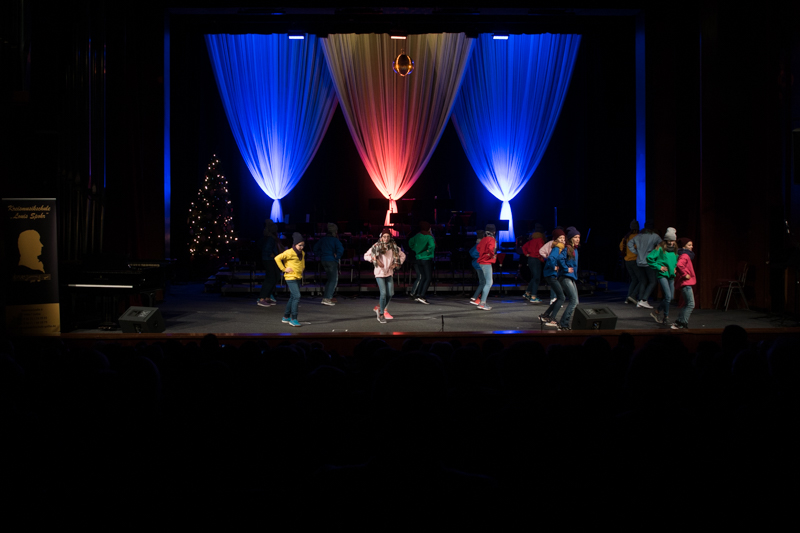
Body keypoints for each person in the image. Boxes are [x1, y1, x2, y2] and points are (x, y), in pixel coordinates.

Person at [364, 229, 406, 324]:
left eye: (388, 236)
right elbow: (366, 256)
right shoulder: (376, 246)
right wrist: (375, 260)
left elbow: (403, 256)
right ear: (381, 237)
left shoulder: (394, 247)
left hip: (389, 272)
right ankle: (381, 314)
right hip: (380, 272)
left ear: (390, 237)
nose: (386, 238)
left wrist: (395, 264)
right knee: (383, 293)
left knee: (390, 293)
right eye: (384, 237)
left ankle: (379, 307)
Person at [647, 227, 678, 326]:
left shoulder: (675, 249)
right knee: (668, 296)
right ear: (666, 240)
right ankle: (666, 317)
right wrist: (659, 267)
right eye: (669, 240)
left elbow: (676, 259)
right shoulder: (660, 248)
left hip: (671, 275)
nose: (671, 242)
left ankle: (656, 312)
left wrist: (675, 267)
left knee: (671, 297)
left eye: (673, 240)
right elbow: (649, 258)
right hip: (662, 274)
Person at [627, 221, 662, 309]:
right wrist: (655, 253)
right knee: (653, 281)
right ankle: (644, 300)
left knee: (643, 281)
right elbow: (662, 246)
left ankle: (640, 301)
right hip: (649, 262)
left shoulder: (639, 236)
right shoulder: (655, 236)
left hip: (639, 261)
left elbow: (629, 243)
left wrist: (636, 252)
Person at [274, 232, 306, 327]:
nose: (301, 247)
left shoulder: (302, 253)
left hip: (298, 277)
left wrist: (302, 267)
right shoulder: (289, 252)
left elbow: (302, 262)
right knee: (297, 296)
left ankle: (286, 316)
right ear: (295, 244)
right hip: (290, 277)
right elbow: (277, 258)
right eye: (299, 245)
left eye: (303, 245)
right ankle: (294, 318)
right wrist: (284, 269)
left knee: (293, 297)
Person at [538, 229, 566, 328]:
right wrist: (553, 267)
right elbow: (550, 258)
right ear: (556, 239)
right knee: (561, 297)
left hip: (551, 274)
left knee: (559, 297)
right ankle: (552, 318)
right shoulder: (557, 247)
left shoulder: (559, 247)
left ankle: (545, 315)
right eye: (560, 238)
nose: (562, 240)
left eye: (563, 238)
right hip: (551, 274)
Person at [314, 223, 344, 306]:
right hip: (331, 261)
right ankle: (327, 298)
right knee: (333, 280)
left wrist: (320, 255)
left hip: (324, 260)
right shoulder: (335, 240)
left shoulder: (323, 239)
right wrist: (337, 257)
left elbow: (315, 248)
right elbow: (341, 250)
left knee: (330, 280)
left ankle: (326, 297)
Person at [557, 227, 581, 330]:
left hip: (571, 277)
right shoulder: (566, 248)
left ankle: (564, 323)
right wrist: (566, 268)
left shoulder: (575, 249)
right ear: (570, 238)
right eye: (575, 237)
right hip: (565, 277)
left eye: (578, 237)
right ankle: (563, 324)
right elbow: (559, 258)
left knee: (576, 302)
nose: (577, 239)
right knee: (574, 301)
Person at [408, 221, 435, 304]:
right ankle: (422, 296)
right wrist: (427, 252)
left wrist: (416, 250)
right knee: (428, 278)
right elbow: (432, 246)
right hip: (426, 258)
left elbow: (410, 242)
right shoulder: (429, 237)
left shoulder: (417, 235)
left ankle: (418, 295)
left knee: (422, 277)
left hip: (418, 258)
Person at [257, 219, 282, 307]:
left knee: (276, 276)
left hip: (271, 259)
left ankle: (267, 297)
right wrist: (273, 254)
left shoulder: (272, 237)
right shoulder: (270, 237)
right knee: (271, 278)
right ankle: (262, 298)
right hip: (269, 260)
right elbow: (267, 249)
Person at [673, 237, 696, 329]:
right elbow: (679, 265)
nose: (691, 247)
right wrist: (685, 274)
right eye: (689, 245)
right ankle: (683, 323)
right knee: (691, 304)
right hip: (686, 283)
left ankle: (679, 321)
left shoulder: (684, 255)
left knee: (687, 304)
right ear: (684, 246)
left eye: (691, 245)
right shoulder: (685, 255)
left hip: (686, 283)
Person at [521, 223, 546, 303]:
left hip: (530, 259)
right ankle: (533, 296)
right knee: (536, 278)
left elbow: (523, 247)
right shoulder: (540, 240)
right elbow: (541, 250)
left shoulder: (531, 241)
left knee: (535, 277)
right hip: (536, 259)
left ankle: (528, 293)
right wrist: (542, 257)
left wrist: (526, 254)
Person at [475, 223, 497, 311]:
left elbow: (478, 247)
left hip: (481, 262)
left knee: (486, 282)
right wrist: (491, 255)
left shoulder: (483, 239)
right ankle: (482, 303)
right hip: (486, 262)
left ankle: (482, 302)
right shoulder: (492, 239)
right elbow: (491, 249)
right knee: (489, 283)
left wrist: (483, 253)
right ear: (494, 232)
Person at [620, 220, 641, 305]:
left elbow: (621, 247)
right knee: (642, 280)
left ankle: (628, 298)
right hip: (635, 260)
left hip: (627, 261)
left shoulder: (626, 237)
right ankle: (633, 295)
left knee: (634, 279)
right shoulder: (638, 237)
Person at [468, 230, 485, 305]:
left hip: (477, 264)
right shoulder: (480, 245)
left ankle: (478, 297)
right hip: (479, 265)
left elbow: (471, 251)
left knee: (483, 282)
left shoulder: (477, 244)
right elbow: (473, 253)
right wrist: (480, 257)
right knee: (483, 283)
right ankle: (475, 298)